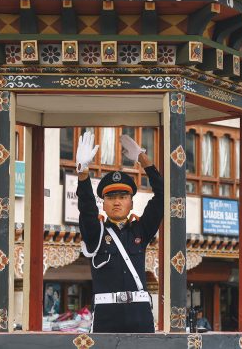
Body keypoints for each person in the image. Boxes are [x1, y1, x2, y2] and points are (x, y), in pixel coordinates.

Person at [76, 131, 164, 333]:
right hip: (107, 317)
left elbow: (162, 196)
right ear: (104, 204)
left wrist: (144, 160)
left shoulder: (140, 230)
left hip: (140, 315)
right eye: (111, 197)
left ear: (131, 202)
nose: (117, 201)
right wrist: (83, 173)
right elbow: (87, 207)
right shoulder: (95, 233)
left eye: (123, 196)